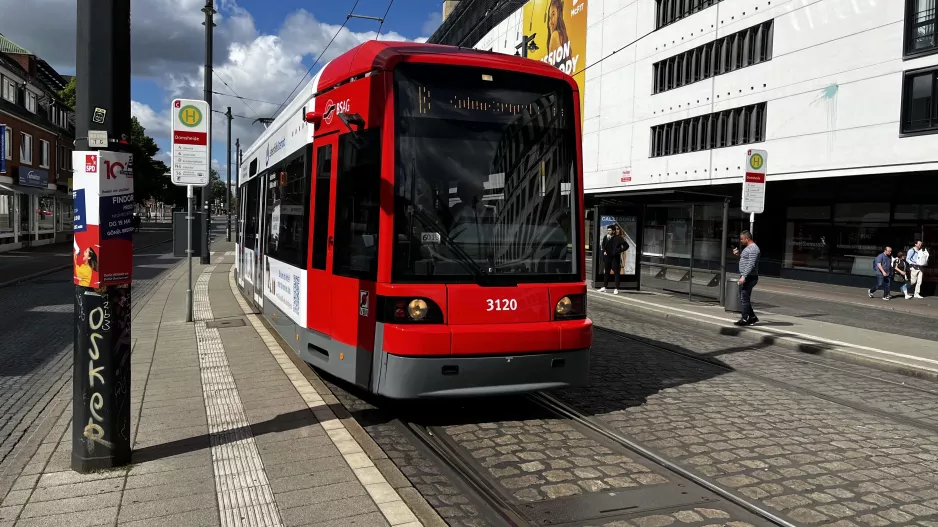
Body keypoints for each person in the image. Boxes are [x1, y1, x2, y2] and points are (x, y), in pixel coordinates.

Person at [733, 230, 761, 326]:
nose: (741, 241)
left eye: (742, 239)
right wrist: (738, 255)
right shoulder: (749, 248)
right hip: (746, 276)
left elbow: (751, 264)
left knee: (744, 298)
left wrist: (743, 277)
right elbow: (745, 260)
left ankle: (745, 318)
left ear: (747, 238)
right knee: (744, 297)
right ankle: (752, 317)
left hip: (749, 277)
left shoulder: (753, 249)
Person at [598, 225, 626, 294]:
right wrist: (604, 251)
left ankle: (616, 288)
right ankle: (605, 287)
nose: (608, 231)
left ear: (613, 231)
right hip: (608, 258)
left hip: (615, 258)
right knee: (606, 272)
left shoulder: (618, 238)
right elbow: (603, 245)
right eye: (607, 230)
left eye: (609, 230)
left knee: (616, 273)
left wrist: (619, 250)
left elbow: (626, 246)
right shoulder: (606, 237)